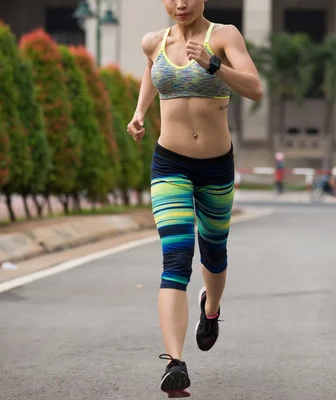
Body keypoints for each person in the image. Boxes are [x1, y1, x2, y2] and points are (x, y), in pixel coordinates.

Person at [126, 0, 263, 397]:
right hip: (169, 164)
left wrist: (213, 64)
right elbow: (153, 73)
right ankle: (175, 362)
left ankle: (211, 308)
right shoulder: (153, 42)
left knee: (214, 254)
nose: (180, 4)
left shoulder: (223, 36)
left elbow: (255, 88)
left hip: (217, 167)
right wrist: (139, 112)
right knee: (176, 258)